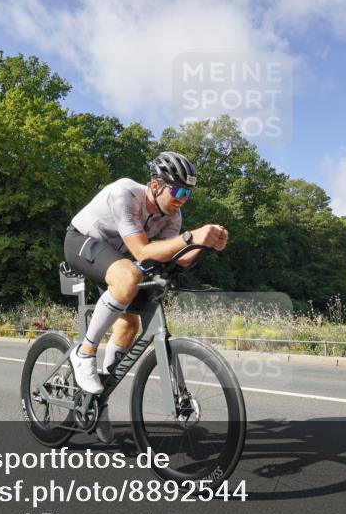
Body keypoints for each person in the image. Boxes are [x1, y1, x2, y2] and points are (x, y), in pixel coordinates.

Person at [64, 151, 228, 400]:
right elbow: (142, 252)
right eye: (178, 192)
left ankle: (98, 400)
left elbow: (168, 258)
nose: (182, 199)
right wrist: (189, 237)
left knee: (129, 324)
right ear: (155, 186)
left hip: (115, 257)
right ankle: (84, 353)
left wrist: (204, 246)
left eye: (187, 193)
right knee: (129, 276)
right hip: (82, 241)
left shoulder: (173, 216)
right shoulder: (126, 193)